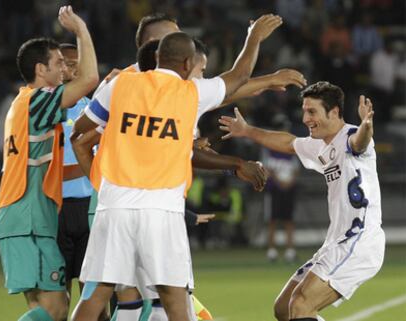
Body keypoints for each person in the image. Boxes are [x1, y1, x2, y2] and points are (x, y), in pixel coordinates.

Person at [71, 14, 283, 321]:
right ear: (187, 65)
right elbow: (238, 77)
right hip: (162, 209)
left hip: (114, 204)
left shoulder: (120, 84)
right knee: (174, 298)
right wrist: (254, 37)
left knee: (97, 295)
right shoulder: (191, 92)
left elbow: (81, 128)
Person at [218, 81, 385, 321]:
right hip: (335, 243)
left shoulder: (349, 136)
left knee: (301, 305)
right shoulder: (320, 145)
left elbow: (360, 142)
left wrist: (366, 125)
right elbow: (288, 143)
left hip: (359, 240)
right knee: (284, 308)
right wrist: (247, 130)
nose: (305, 118)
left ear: (334, 112)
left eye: (312, 111)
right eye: (304, 111)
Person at [0, 6, 98, 321]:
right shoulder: (37, 102)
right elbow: (90, 78)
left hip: (26, 218)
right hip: (28, 220)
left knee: (49, 309)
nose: (64, 69)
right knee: (53, 310)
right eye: (58, 64)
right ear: (41, 70)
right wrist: (81, 31)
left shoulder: (25, 103)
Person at [56, 43, 99, 316]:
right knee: (59, 300)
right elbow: (50, 172)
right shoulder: (48, 109)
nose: (73, 69)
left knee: (94, 297)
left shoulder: (95, 108)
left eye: (77, 63)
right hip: (57, 209)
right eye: (67, 63)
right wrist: (92, 168)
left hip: (90, 210)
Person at [261, 114, 300, 263]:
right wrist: (279, 181)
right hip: (274, 188)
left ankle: (290, 250)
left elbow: (296, 169)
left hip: (289, 188)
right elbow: (267, 168)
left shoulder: (291, 148)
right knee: (272, 219)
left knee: (289, 219)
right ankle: (272, 250)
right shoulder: (269, 149)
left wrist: (290, 182)